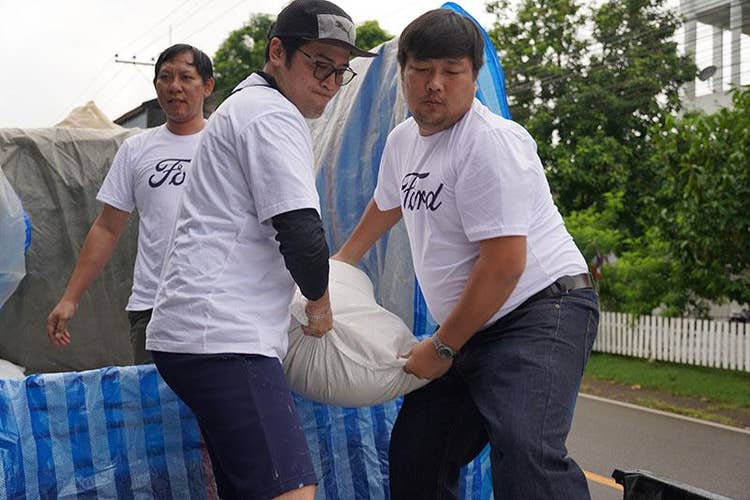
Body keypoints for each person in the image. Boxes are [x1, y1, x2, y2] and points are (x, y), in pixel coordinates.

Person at [332, 9, 600, 499]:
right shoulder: (403, 140)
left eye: (451, 71)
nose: (435, 84)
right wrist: (338, 267)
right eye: (422, 70)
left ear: (474, 77)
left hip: (539, 312)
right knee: (418, 456)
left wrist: (442, 348)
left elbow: (504, 265)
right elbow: (385, 203)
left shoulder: (490, 144)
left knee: (525, 453)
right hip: (471, 321)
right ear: (403, 73)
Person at [144, 1, 377, 498]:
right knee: (290, 491)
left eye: (341, 72)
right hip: (224, 338)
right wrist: (319, 302)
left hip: (199, 334)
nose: (330, 84)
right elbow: (299, 229)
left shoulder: (246, 107)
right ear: (277, 51)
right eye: (319, 65)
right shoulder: (270, 115)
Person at [47, 44, 215, 364]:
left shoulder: (226, 143)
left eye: (186, 77)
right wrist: (70, 298)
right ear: (156, 87)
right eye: (165, 77)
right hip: (152, 307)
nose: (174, 86)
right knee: (154, 408)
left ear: (208, 85)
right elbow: (107, 228)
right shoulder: (136, 149)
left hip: (215, 304)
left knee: (215, 410)